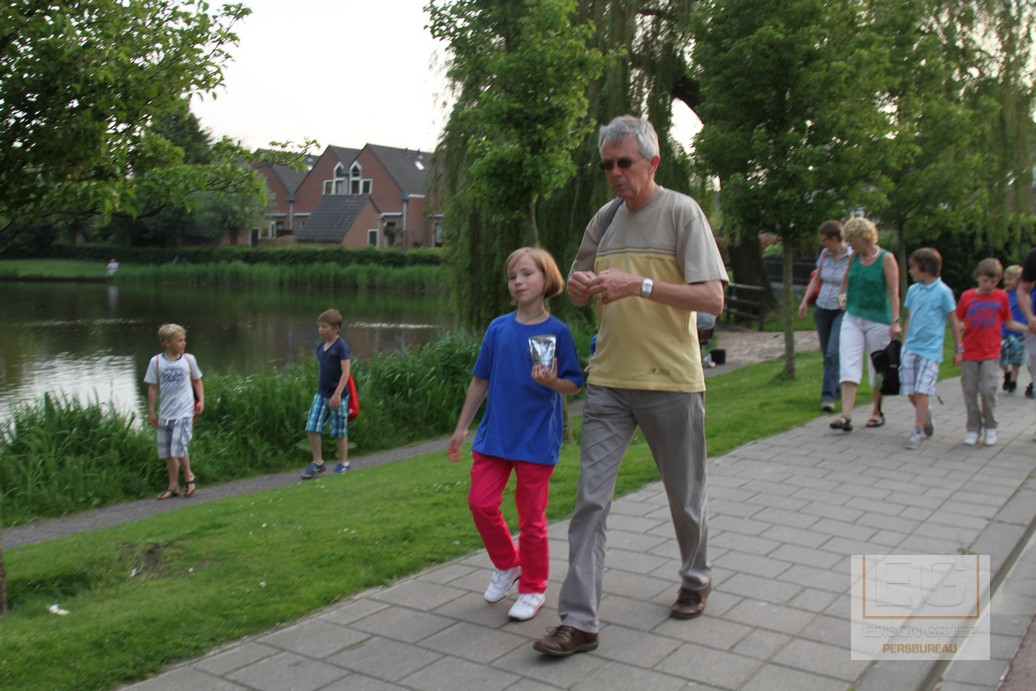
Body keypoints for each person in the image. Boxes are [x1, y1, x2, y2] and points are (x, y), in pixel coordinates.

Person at [533, 115, 726, 657]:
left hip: (672, 381)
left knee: (685, 497)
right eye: (607, 166)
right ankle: (579, 621)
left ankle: (695, 577)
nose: (615, 174)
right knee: (590, 502)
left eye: (625, 163)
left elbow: (712, 299)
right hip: (609, 381)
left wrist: (639, 285)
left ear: (652, 162)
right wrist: (578, 287)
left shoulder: (682, 213)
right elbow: (579, 289)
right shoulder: (605, 218)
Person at [447, 247, 583, 622]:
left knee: (531, 519)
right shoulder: (498, 328)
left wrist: (552, 381)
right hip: (495, 436)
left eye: (527, 274)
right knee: (480, 503)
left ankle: (534, 587)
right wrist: (461, 428)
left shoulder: (557, 332)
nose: (518, 281)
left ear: (547, 279)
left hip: (536, 438)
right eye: (512, 276)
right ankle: (509, 564)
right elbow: (480, 380)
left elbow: (574, 384)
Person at [828, 217, 901, 433]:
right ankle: (846, 415)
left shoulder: (886, 259)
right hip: (853, 317)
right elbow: (846, 278)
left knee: (878, 366)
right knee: (848, 362)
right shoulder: (855, 257)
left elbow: (893, 293)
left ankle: (877, 412)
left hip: (878, 320)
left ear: (863, 237)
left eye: (852, 240)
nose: (849, 245)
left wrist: (895, 321)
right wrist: (842, 296)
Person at [955, 259, 1028, 446]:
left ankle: (990, 426)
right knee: (969, 390)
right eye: (985, 280)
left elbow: (1008, 321)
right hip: (970, 351)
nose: (989, 285)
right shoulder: (967, 296)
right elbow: (958, 320)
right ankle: (973, 428)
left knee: (988, 390)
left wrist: (1027, 328)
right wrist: (960, 333)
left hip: (990, 351)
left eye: (993, 281)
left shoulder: (1001, 297)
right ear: (978, 277)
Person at [899, 248, 958, 450]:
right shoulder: (913, 290)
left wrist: (958, 348)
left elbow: (953, 320)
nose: (910, 271)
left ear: (925, 267)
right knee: (909, 390)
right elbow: (909, 316)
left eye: (913, 267)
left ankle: (918, 430)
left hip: (930, 350)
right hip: (911, 347)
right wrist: (904, 343)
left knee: (922, 390)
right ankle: (926, 413)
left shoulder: (943, 292)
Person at [144, 323, 204, 499]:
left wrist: (201, 400)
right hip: (166, 413)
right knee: (168, 452)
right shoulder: (156, 362)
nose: (183, 343)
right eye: (179, 340)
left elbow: (197, 380)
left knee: (178, 447)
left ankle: (189, 477)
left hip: (184, 411)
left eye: (184, 340)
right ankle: (173, 486)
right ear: (167, 343)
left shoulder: (188, 360)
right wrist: (151, 412)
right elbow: (153, 387)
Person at [798, 220, 851, 411]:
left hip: (841, 310)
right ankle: (836, 387)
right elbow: (816, 280)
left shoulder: (852, 256)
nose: (823, 244)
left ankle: (827, 397)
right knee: (826, 353)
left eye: (825, 240)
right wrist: (805, 301)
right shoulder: (825, 255)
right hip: (822, 308)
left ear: (835, 238)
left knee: (832, 352)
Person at [300, 309, 352, 478]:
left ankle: (343, 463)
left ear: (336, 328)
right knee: (312, 426)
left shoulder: (341, 346)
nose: (320, 330)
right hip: (322, 395)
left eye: (324, 326)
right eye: (319, 326)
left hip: (338, 397)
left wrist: (337, 394)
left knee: (339, 431)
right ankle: (318, 463)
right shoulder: (320, 348)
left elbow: (346, 372)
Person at [1000, 265, 1027, 394]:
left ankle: (1013, 381)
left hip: (1018, 331)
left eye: (1010, 279)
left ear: (1018, 280)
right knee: (1002, 357)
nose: (1007, 282)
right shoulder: (1003, 294)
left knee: (1016, 358)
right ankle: (1007, 373)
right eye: (1005, 279)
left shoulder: (1022, 294)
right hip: (1004, 331)